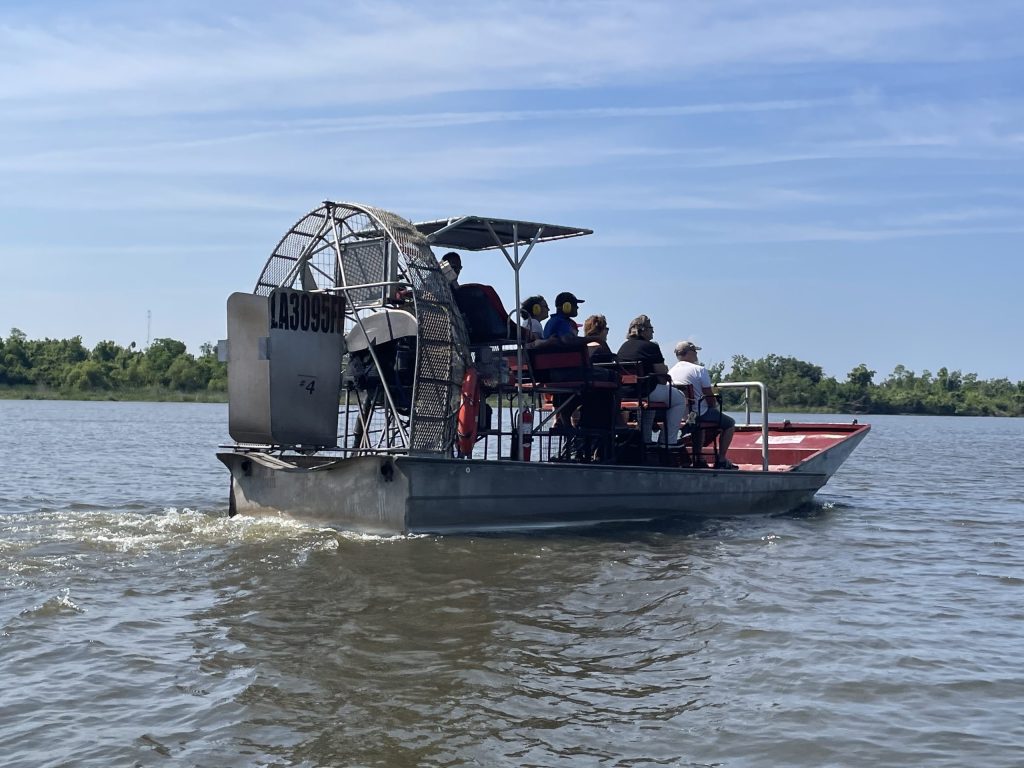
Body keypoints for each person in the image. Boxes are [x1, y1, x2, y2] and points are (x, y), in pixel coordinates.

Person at [615, 315, 686, 446]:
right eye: (651, 327)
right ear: (642, 330)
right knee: (679, 399)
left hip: (624, 394)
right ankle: (668, 442)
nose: (653, 331)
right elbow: (662, 376)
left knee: (649, 403)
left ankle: (646, 440)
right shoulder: (650, 347)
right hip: (643, 392)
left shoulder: (623, 347)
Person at [669, 340, 737, 469]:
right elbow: (709, 397)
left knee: (698, 424)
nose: (696, 355)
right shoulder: (699, 370)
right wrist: (714, 406)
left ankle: (699, 458)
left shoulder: (670, 372)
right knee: (729, 423)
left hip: (680, 414)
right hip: (698, 413)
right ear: (689, 353)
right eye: (695, 352)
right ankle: (721, 460)